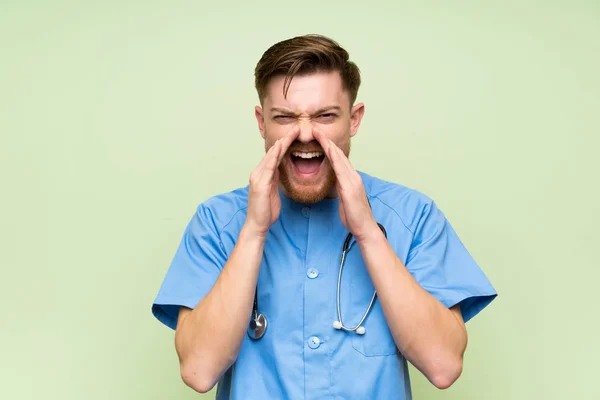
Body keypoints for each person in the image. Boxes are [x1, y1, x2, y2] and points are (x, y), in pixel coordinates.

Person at [151, 34, 497, 399]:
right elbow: (198, 371)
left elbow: (443, 366)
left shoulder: (414, 217)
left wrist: (368, 233)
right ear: (261, 122)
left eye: (325, 116)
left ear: (354, 119)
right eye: (284, 117)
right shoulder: (216, 224)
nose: (304, 134)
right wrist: (253, 232)